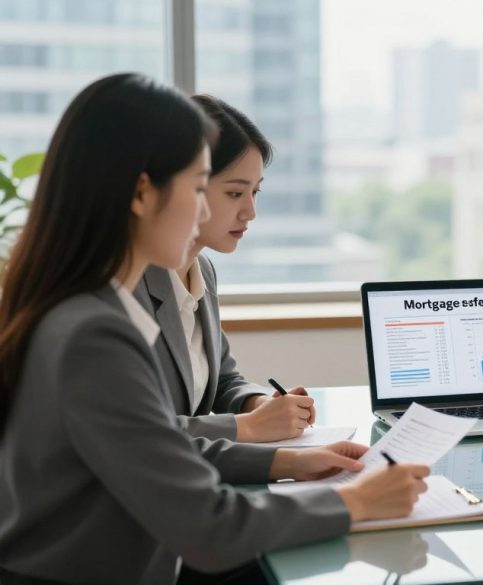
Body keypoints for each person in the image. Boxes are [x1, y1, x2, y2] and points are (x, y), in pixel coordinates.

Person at [0, 73, 429, 585]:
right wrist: (351, 502)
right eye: (201, 187)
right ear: (141, 192)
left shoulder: (82, 309)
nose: (208, 210)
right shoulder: (93, 334)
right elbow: (208, 527)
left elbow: (157, 447)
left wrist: (294, 462)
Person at [134, 94, 310, 443]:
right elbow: (139, 432)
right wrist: (248, 428)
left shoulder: (202, 269)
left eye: (255, 193)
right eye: (234, 194)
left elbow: (221, 379)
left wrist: (257, 403)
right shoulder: (126, 286)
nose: (250, 212)